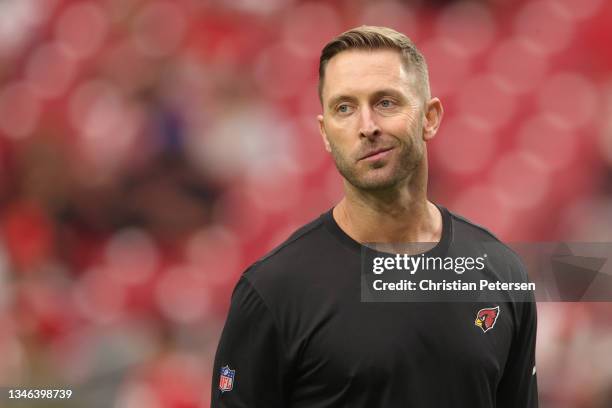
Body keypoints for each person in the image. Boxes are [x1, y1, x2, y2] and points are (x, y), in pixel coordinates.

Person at [211, 26, 538, 407]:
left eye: (385, 102)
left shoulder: (502, 273)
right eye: (344, 108)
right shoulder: (273, 291)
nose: (367, 127)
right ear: (325, 134)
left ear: (430, 117)